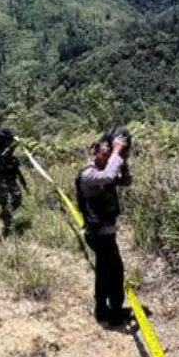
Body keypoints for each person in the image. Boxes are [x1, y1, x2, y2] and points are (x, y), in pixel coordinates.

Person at [75, 128, 133, 327]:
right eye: (106, 149)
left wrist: (123, 161)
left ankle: (104, 310)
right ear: (95, 150)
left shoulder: (104, 171)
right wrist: (116, 152)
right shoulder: (89, 175)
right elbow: (108, 177)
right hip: (98, 235)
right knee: (113, 272)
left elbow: (125, 181)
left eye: (111, 149)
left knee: (106, 272)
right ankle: (112, 313)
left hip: (106, 234)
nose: (109, 152)